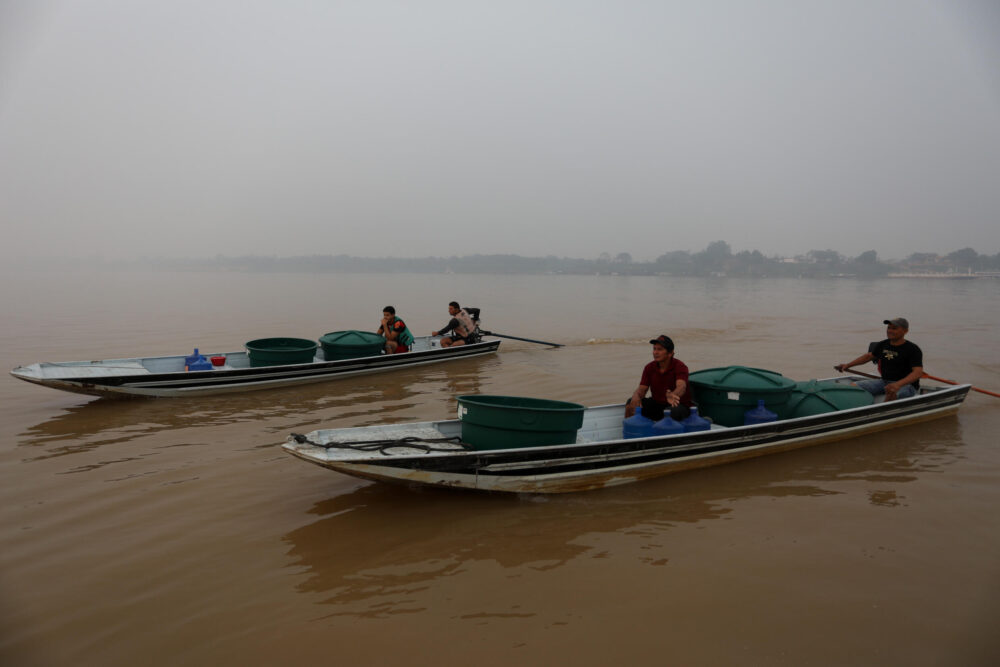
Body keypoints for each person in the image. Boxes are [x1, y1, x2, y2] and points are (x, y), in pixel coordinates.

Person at [834, 318, 923, 401]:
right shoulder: (883, 344)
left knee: (891, 393)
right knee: (853, 387)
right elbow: (868, 356)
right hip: (884, 382)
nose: (889, 331)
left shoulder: (913, 349)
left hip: (906, 385)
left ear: (905, 331)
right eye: (888, 328)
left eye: (894, 328)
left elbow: (917, 372)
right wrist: (848, 365)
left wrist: (897, 384)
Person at [626, 334, 694, 421]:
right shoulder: (649, 367)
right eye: (654, 349)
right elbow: (642, 390)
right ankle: (630, 431)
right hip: (658, 405)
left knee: (672, 411)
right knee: (631, 403)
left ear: (670, 353)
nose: (655, 352)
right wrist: (636, 396)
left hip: (678, 405)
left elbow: (682, 386)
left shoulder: (680, 366)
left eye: (660, 349)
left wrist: (674, 394)